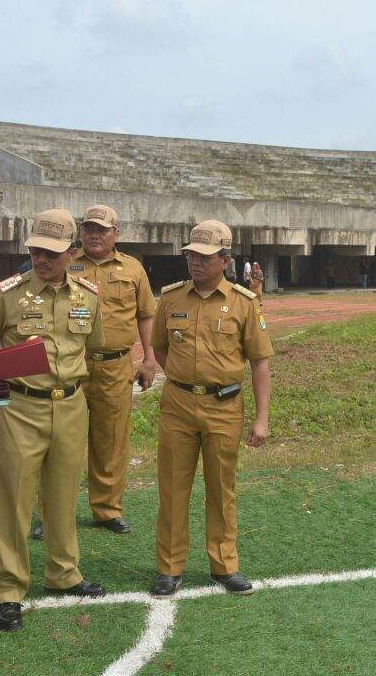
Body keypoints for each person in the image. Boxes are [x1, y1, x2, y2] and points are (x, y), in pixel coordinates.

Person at [0, 208, 108, 634]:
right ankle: (7, 590)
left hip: (70, 405)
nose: (42, 259)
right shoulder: (6, 295)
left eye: (51, 252)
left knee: (63, 494)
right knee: (12, 499)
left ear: (72, 252)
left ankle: (64, 573)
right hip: (20, 408)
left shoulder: (88, 296)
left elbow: (93, 348)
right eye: (36, 251)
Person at [149, 219, 273, 598]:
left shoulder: (244, 303)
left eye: (205, 257)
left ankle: (224, 565)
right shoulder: (171, 299)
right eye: (191, 256)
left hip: (224, 407)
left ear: (225, 260)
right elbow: (159, 348)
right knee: (173, 488)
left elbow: (260, 363)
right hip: (178, 406)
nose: (196, 263)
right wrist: (184, 380)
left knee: (221, 488)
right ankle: (170, 567)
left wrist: (262, 418)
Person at [66, 204, 157, 536]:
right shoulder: (66, 263)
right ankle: (54, 514)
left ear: (116, 233)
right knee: (62, 440)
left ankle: (107, 509)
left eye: (102, 230)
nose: (94, 235)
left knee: (112, 440)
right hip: (70, 364)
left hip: (116, 366)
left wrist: (149, 359)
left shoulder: (132, 269)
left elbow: (146, 315)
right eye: (89, 228)